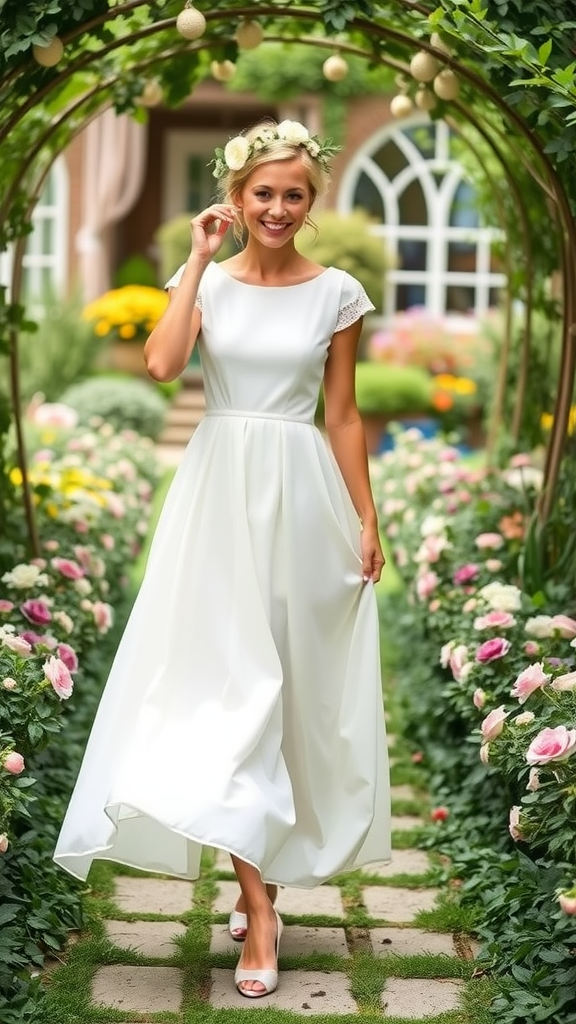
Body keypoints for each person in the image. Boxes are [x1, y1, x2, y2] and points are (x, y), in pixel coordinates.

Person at [54, 119, 391, 999]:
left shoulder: (339, 293)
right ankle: (261, 910)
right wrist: (198, 263)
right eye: (262, 193)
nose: (277, 209)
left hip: (303, 496)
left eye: (293, 195)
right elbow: (164, 365)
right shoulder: (202, 280)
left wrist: (367, 516)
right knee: (233, 688)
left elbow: (345, 414)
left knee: (288, 693)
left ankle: (263, 881)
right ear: (235, 199)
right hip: (217, 498)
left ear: (310, 204)